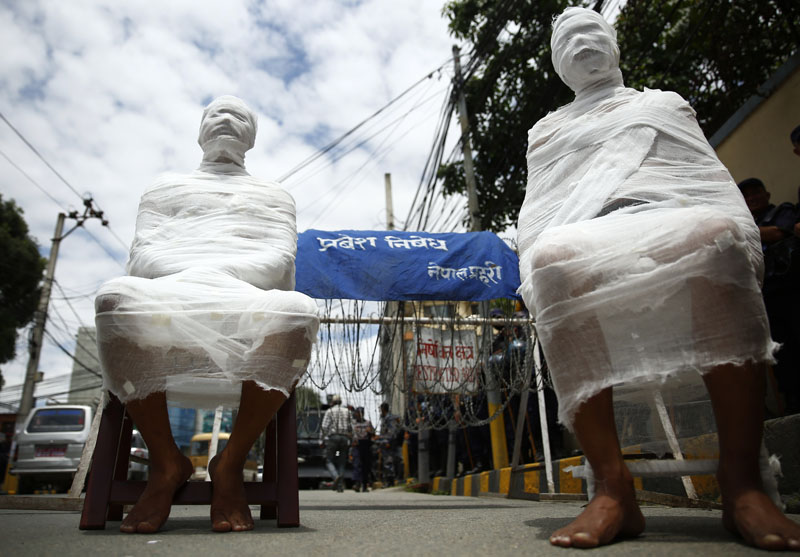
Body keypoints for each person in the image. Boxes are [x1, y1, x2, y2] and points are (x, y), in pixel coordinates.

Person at [516, 7, 800, 550]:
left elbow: (707, 182)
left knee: (716, 234)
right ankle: (613, 488)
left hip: (676, 217)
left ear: (614, 45)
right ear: (556, 63)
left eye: (591, 32)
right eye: (568, 39)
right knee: (551, 258)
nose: (581, 43)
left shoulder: (662, 105)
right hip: (588, 234)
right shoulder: (545, 132)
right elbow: (542, 214)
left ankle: (743, 485)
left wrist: (742, 235)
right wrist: (533, 260)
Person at [94, 96, 319, 533]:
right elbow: (143, 259)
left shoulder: (275, 196)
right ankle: (166, 463)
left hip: (243, 305)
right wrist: (198, 279)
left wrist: (216, 278)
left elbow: (277, 263)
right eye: (216, 114)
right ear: (200, 130)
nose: (226, 121)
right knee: (114, 298)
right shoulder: (164, 189)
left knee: (299, 309)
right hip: (170, 300)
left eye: (239, 117)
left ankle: (229, 463)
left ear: (251, 137)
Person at [738, 178, 800, 413]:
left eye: (756, 192)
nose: (752, 198)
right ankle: (792, 402)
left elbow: (776, 233)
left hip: (790, 290)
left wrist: (743, 231)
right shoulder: (748, 222)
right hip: (763, 297)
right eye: (747, 195)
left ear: (767, 193)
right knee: (780, 351)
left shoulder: (782, 211)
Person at [321, 394, 352, 492]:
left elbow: (324, 427)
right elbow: (351, 426)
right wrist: (352, 439)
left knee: (329, 460)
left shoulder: (329, 411)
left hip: (333, 438)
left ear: (333, 402)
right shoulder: (347, 411)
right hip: (344, 439)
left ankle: (336, 477)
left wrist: (321, 440)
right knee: (341, 461)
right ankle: (340, 486)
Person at [352, 407, 375, 492]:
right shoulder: (353, 423)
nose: (357, 415)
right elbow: (350, 433)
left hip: (366, 445)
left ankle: (364, 485)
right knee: (357, 464)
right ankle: (357, 483)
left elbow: (373, 434)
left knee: (366, 466)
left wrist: (370, 432)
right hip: (357, 446)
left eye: (359, 413)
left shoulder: (368, 423)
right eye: (356, 413)